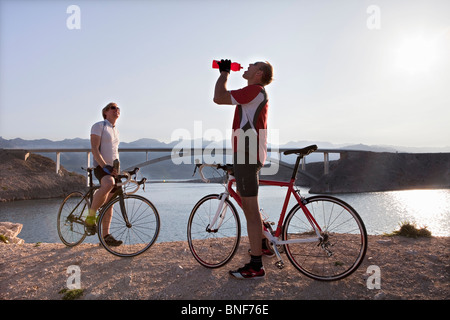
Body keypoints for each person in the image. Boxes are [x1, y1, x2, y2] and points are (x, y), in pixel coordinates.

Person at [213, 59, 273, 279]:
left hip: (248, 155)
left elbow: (218, 97)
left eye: (252, 65)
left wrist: (224, 73)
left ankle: (256, 266)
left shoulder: (254, 90)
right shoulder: (255, 92)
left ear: (259, 73)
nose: (247, 66)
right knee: (248, 204)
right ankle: (264, 242)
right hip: (246, 153)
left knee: (250, 207)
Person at [85, 102, 123, 246]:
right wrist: (104, 166)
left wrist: (117, 169)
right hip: (101, 167)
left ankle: (105, 236)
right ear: (105, 112)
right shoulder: (99, 126)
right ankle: (90, 216)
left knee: (110, 203)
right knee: (109, 183)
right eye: (113, 107)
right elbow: (94, 148)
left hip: (113, 169)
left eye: (118, 108)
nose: (117, 110)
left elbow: (114, 152)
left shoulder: (116, 131)